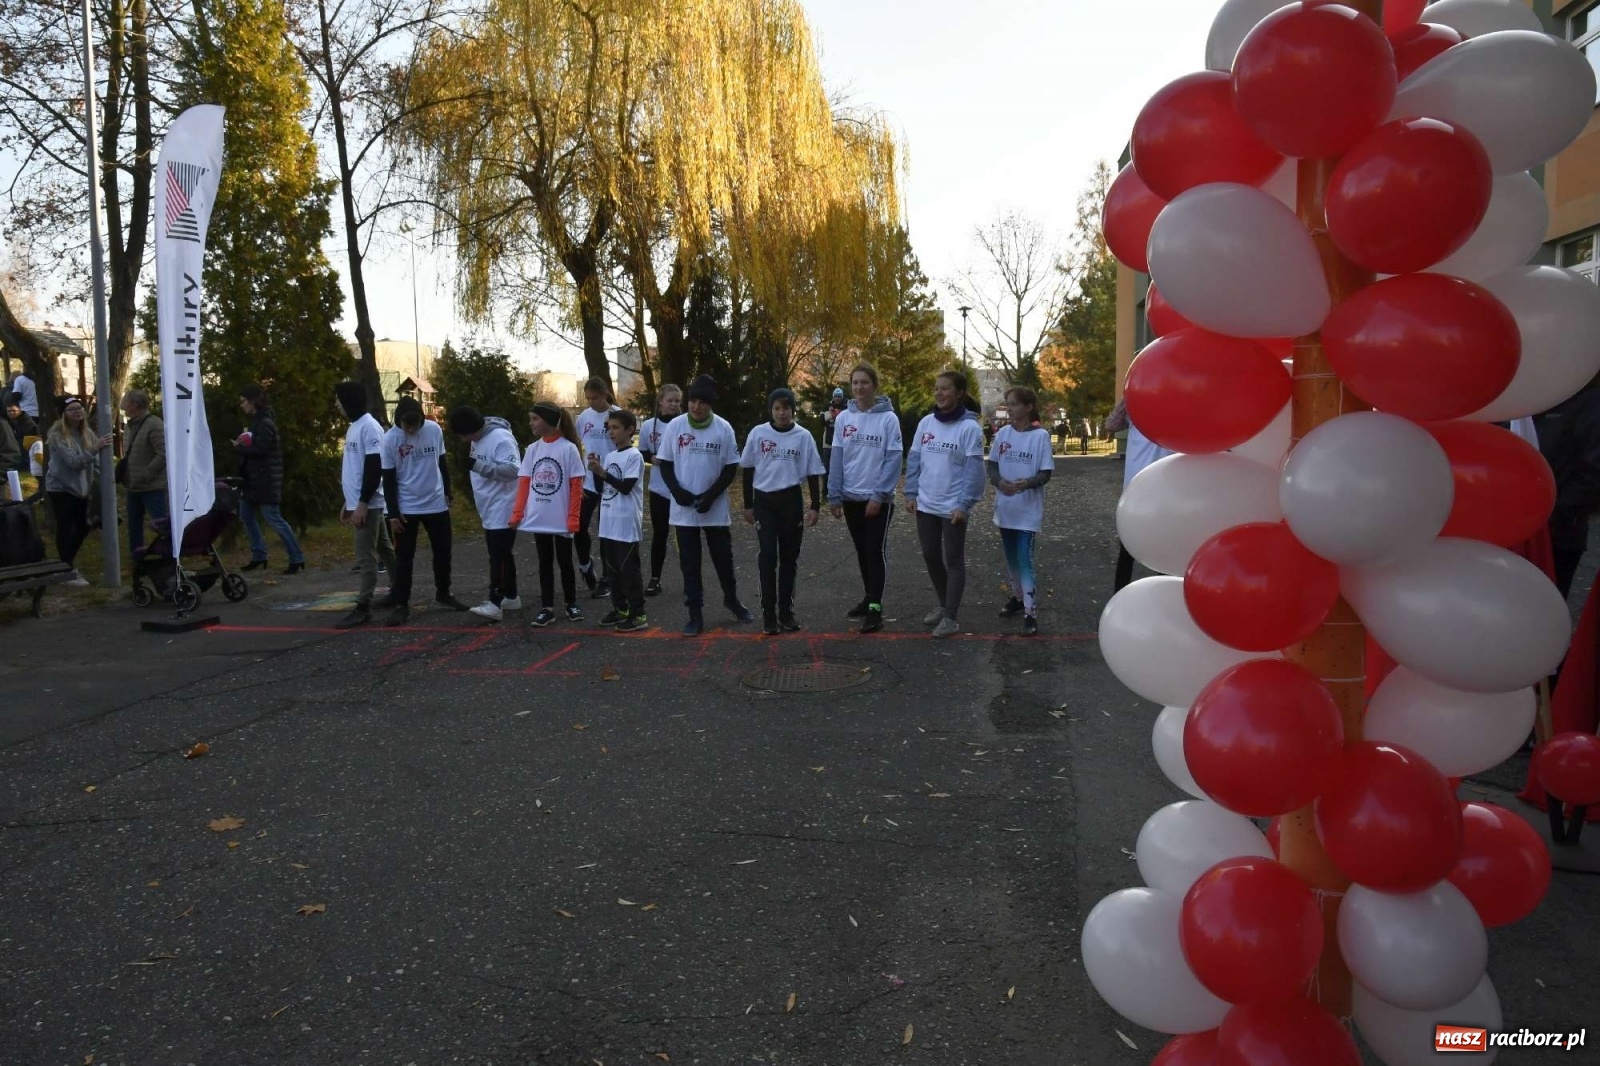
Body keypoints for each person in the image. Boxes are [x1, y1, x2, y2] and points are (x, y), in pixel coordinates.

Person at [656, 374, 752, 636]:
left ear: (711, 404)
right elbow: (664, 464)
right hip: (684, 510)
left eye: (702, 403)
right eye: (693, 401)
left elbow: (731, 467)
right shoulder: (675, 427)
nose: (696, 407)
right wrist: (677, 492)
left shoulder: (723, 428)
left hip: (714, 508)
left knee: (723, 559)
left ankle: (731, 600)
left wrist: (710, 496)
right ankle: (694, 613)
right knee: (690, 563)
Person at [905, 370, 986, 639]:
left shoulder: (969, 428)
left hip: (953, 507)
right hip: (926, 503)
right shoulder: (926, 423)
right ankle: (943, 604)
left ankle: (951, 617)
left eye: (945, 389)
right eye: (936, 388)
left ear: (960, 393)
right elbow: (915, 459)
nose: (939, 393)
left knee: (953, 560)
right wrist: (911, 492)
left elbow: (974, 471)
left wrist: (964, 504)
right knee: (930, 555)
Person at [741, 387, 825, 635]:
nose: (781, 413)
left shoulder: (803, 436)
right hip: (765, 502)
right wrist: (748, 504)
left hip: (791, 501)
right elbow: (747, 468)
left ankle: (786, 614)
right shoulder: (759, 433)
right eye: (776, 408)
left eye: (786, 408)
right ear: (771, 410)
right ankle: (768, 615)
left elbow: (812, 471)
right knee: (767, 557)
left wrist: (815, 506)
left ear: (792, 409)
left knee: (789, 559)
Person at [827, 363, 903, 634]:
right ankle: (869, 596)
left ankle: (875, 608)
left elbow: (893, 460)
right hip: (850, 497)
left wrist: (879, 495)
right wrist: (834, 495)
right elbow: (837, 457)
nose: (859, 387)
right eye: (855, 383)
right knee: (861, 550)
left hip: (877, 500)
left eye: (865, 382)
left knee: (874, 550)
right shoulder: (844, 418)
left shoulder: (888, 419)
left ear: (874, 385)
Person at [380, 395, 467, 625]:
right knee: (404, 558)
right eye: (407, 426)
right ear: (399, 422)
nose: (411, 430)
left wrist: (448, 490)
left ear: (421, 420)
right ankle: (401, 603)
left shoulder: (433, 430)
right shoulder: (390, 439)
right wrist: (393, 513)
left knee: (443, 552)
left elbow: (441, 461)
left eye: (415, 425)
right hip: (407, 506)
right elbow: (388, 479)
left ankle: (443, 593)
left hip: (435, 503)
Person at [510, 401, 587, 627]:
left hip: (560, 517)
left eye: (535, 419)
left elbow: (576, 485)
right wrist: (517, 513)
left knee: (565, 561)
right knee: (544, 561)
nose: (531, 423)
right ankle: (547, 607)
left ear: (549, 421)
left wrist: (573, 517)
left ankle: (571, 603)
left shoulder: (568, 448)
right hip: (540, 516)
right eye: (531, 418)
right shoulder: (532, 450)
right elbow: (524, 483)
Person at [990, 387, 1055, 636]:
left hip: (1027, 511)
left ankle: (1030, 611)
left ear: (1028, 407)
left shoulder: (1040, 436)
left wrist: (1025, 483)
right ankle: (1017, 598)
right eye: (1008, 404)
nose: (1010, 408)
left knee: (1024, 559)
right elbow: (993, 466)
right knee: (1011, 558)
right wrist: (999, 482)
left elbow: (1045, 473)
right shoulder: (1003, 434)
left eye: (1015, 404)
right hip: (1006, 508)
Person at [448, 405, 523, 622]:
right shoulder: (477, 438)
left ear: (471, 429)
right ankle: (511, 595)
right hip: (489, 506)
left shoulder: (501, 438)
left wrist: (480, 467)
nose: (463, 440)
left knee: (498, 556)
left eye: (463, 435)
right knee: (502, 554)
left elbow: (513, 470)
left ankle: (495, 601)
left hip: (503, 505)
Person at [334, 381, 394, 629]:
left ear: (349, 401)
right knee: (384, 548)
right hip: (361, 502)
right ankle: (400, 588)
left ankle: (363, 606)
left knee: (365, 555)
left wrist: (362, 502)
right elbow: (356, 469)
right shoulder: (355, 427)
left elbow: (374, 466)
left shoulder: (369, 427)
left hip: (368, 504)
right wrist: (348, 502)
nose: (336, 404)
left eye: (338, 399)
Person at [1535, 373, 1600, 601]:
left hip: (1557, 532)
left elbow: (1594, 475)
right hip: (1510, 531)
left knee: (1544, 606)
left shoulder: (1588, 401)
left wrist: (1557, 512)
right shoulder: (1526, 399)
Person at [234, 384, 305, 575]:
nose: (242, 405)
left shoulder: (265, 423)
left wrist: (240, 448)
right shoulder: (259, 421)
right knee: (246, 515)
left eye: (243, 401)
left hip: (265, 480)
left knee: (274, 519)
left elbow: (261, 450)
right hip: (254, 479)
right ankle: (259, 555)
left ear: (253, 401)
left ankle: (296, 558)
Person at [1105, 397, 1173, 591]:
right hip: (1134, 491)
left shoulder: (1175, 405)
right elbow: (1111, 425)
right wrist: (1128, 397)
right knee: (1127, 550)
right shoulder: (1135, 406)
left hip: (1165, 491)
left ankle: (1163, 598)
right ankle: (1119, 597)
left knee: (1165, 549)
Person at [592, 409, 648, 631]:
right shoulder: (611, 456)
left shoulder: (634, 456)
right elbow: (603, 489)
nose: (611, 432)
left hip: (625, 522)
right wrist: (597, 473)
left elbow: (626, 487)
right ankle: (620, 608)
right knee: (612, 570)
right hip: (608, 520)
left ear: (630, 430)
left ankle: (638, 614)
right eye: (609, 428)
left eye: (615, 428)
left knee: (628, 570)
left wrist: (604, 473)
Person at [44, 397, 110, 585]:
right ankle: (65, 569)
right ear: (63, 414)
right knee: (66, 528)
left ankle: (65, 565)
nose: (77, 412)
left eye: (79, 408)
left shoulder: (87, 432)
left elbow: (96, 462)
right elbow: (74, 462)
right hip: (61, 488)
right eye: (72, 409)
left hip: (81, 488)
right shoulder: (57, 435)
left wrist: (104, 478)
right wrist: (95, 448)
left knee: (82, 527)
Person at [575, 376, 620, 600]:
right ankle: (585, 564)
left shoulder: (616, 415)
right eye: (588, 398)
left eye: (594, 397)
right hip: (589, 480)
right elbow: (576, 442)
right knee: (578, 526)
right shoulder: (584, 417)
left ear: (604, 394)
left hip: (610, 480)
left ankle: (607, 578)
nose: (591, 402)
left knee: (605, 532)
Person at [637, 384, 682, 598]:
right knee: (660, 534)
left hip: (681, 488)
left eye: (677, 401)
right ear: (660, 401)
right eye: (670, 400)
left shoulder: (685, 424)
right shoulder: (648, 426)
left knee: (684, 535)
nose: (674, 404)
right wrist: (652, 459)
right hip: (658, 488)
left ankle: (691, 579)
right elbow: (643, 452)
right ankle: (655, 578)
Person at [119, 389, 167, 554]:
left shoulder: (154, 424)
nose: (123, 406)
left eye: (126, 402)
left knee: (161, 524)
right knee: (134, 525)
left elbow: (163, 454)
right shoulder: (130, 425)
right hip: (133, 486)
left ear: (135, 405)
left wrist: (146, 474)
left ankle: (169, 559)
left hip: (152, 487)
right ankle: (137, 559)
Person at [822, 386, 846, 474]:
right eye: (836, 396)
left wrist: (837, 415)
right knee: (826, 468)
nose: (837, 398)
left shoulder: (846, 409)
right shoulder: (827, 407)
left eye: (839, 396)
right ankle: (825, 487)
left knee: (839, 468)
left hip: (841, 443)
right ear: (833, 397)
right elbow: (822, 422)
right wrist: (830, 415)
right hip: (827, 444)